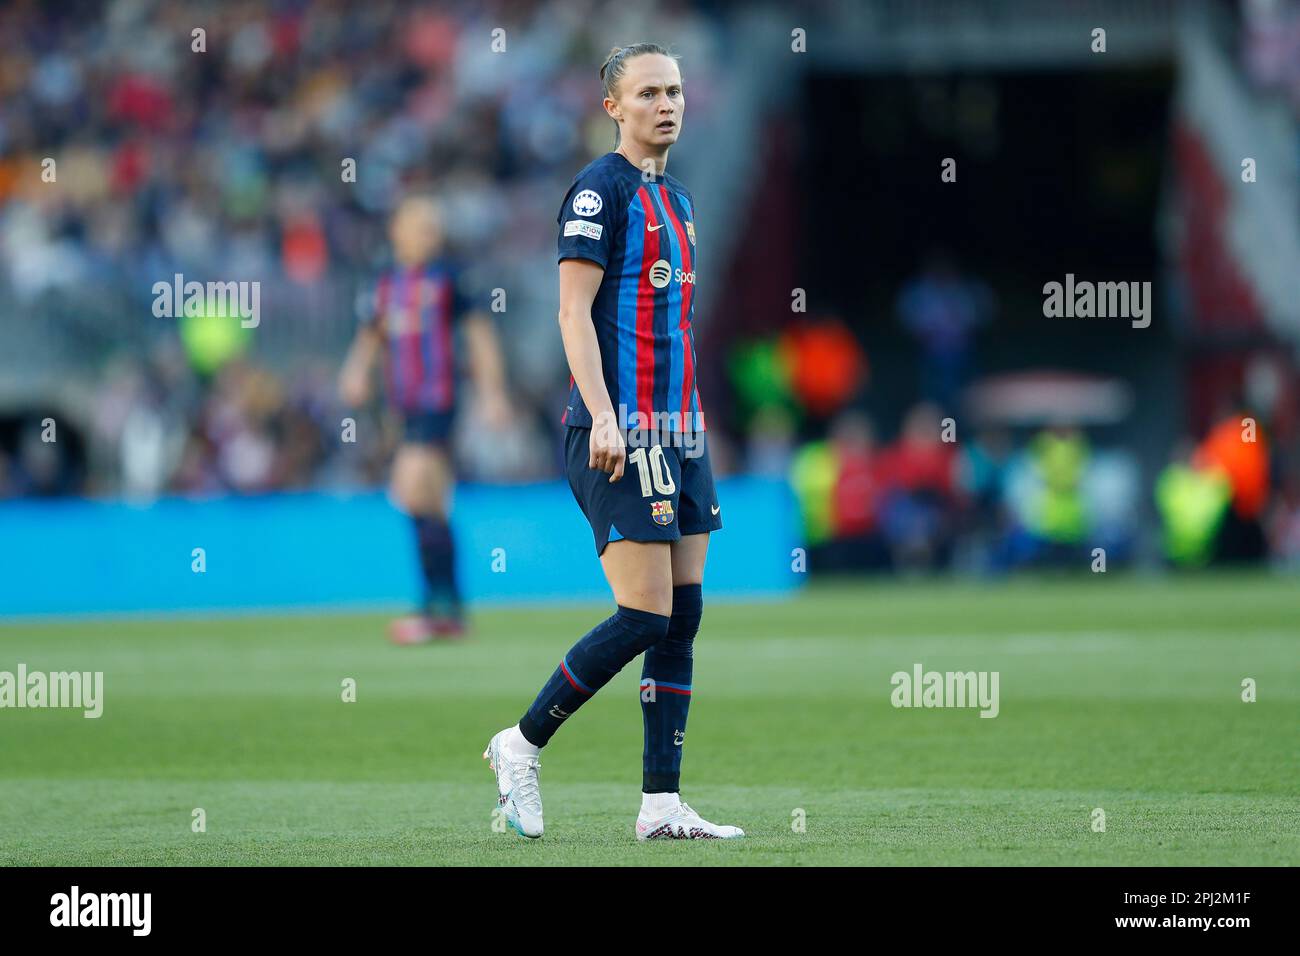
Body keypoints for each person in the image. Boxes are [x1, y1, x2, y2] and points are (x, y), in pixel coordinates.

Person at [483, 44, 740, 840]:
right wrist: (602, 414)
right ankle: (520, 744)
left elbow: (672, 330)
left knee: (682, 616)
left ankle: (660, 805)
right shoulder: (600, 191)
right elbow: (572, 315)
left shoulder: (684, 201)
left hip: (679, 431)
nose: (667, 104)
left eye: (675, 90)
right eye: (649, 93)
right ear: (614, 108)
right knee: (642, 615)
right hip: (618, 431)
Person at [339, 195, 510, 643]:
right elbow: (371, 334)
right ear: (397, 230)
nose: (427, 235)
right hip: (401, 404)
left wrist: (493, 393)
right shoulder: (383, 283)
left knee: (411, 484)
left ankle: (437, 605)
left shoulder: (451, 278)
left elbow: (479, 335)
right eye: (419, 226)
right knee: (427, 499)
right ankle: (447, 606)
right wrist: (356, 372)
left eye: (433, 227)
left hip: (439, 400)